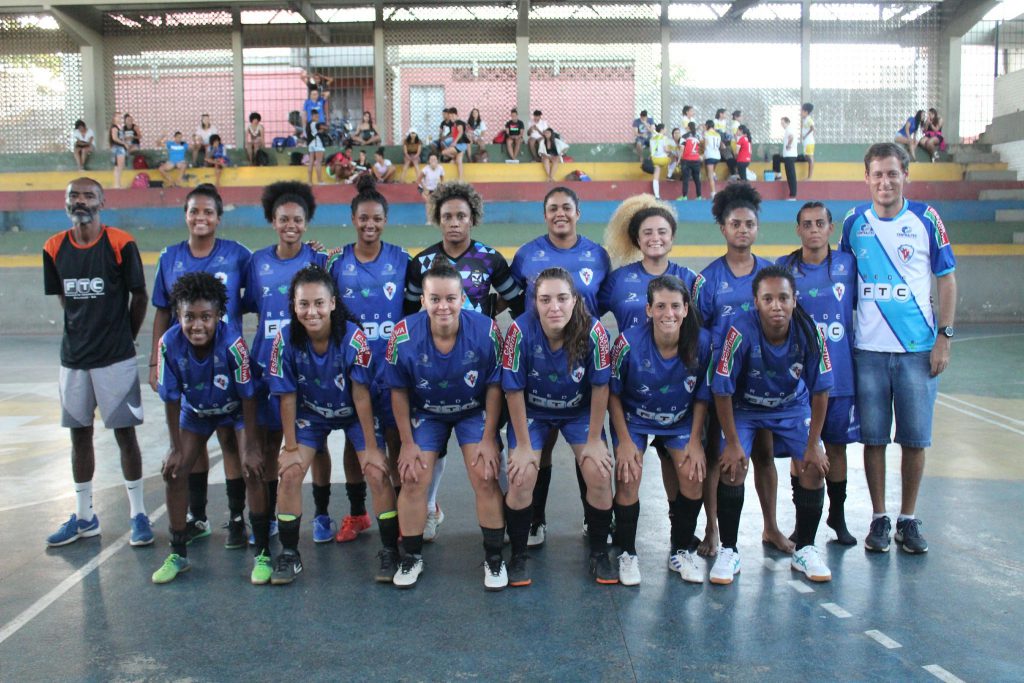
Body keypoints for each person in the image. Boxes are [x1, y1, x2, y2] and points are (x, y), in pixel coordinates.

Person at [839, 142, 957, 554]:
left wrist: (944, 336)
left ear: (906, 175)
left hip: (917, 351)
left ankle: (908, 518)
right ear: (867, 178)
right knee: (873, 438)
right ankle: (878, 517)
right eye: (878, 174)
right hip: (867, 351)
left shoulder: (927, 219)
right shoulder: (854, 222)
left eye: (893, 173)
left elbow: (946, 278)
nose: (885, 181)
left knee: (914, 439)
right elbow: (844, 283)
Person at [405, 182, 523, 539]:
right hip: (435, 366)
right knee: (433, 446)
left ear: (473, 218)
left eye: (461, 216)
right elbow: (409, 314)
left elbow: (517, 304)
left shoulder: (490, 258)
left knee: (490, 443)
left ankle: (501, 516)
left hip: (479, 367)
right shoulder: (422, 262)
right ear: (437, 220)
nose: (454, 222)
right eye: (447, 217)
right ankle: (429, 509)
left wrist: (489, 310)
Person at [385, 262, 507, 589]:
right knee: (412, 478)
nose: (443, 306)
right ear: (423, 300)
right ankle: (411, 557)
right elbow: (398, 391)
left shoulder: (486, 330)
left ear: (462, 298)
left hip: (473, 411)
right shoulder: (403, 334)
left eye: (450, 298)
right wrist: (407, 443)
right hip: (427, 411)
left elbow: (495, 387)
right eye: (434, 298)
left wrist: (489, 437)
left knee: (485, 473)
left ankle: (495, 559)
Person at [43, 178, 151, 548]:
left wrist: (126, 337)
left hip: (115, 358)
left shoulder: (121, 243)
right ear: (65, 202)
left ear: (102, 202)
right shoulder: (53, 247)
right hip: (73, 360)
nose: (81, 201)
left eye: (89, 195)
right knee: (79, 437)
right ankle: (85, 516)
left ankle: (138, 513)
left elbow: (140, 297)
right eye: (74, 194)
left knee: (125, 435)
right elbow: (63, 297)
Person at [710, 265, 835, 585]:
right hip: (745, 407)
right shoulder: (739, 332)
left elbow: (821, 391)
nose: (776, 305)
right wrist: (734, 443)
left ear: (795, 300)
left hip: (791, 407)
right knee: (732, 466)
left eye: (783, 298)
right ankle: (729, 550)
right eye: (768, 299)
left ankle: (806, 548)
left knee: (811, 466)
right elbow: (722, 389)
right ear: (756, 302)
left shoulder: (810, 333)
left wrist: (813, 444)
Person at [266, 265, 386, 584]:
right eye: (303, 304)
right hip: (313, 413)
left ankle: (390, 551)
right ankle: (290, 554)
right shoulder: (284, 340)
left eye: (319, 303)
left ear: (333, 303)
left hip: (351, 410)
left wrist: (372, 449)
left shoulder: (352, 337)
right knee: (290, 474)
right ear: (293, 305)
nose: (312, 311)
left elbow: (361, 395)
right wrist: (290, 448)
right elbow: (287, 396)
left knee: (376, 471)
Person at [149, 184, 252, 549]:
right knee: (190, 443)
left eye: (208, 212)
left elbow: (260, 293)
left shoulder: (239, 255)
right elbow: (163, 310)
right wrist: (153, 361)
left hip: (226, 364)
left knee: (230, 441)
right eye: (194, 211)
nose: (201, 217)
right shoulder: (170, 257)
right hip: (188, 364)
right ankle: (197, 516)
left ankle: (238, 517)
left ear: (219, 218)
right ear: (186, 215)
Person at [511, 186, 611, 546]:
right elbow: (515, 304)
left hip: (581, 371)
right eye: (552, 208)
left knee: (590, 454)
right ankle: (535, 521)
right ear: (545, 214)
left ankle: (593, 521)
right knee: (541, 449)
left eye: (566, 208)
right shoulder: (526, 255)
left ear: (578, 212)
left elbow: (607, 302)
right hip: (540, 366)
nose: (560, 214)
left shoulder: (598, 256)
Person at [503, 268, 616, 586]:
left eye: (562, 298)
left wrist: (594, 439)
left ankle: (598, 553)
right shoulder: (519, 332)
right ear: (534, 303)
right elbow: (512, 390)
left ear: (575, 300)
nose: (554, 306)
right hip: (533, 412)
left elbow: (600, 387)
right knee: (522, 475)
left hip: (578, 412)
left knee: (598, 471)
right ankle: (519, 556)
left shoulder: (594, 332)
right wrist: (524, 448)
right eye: (545, 299)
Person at [151, 273, 260, 584]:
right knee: (173, 471)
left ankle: (262, 551)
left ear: (218, 316)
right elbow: (171, 399)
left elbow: (249, 396)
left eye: (205, 317)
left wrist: (251, 445)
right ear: (178, 316)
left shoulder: (233, 343)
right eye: (189, 317)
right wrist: (175, 447)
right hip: (196, 413)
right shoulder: (168, 344)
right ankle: (177, 552)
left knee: (253, 467)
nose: (197, 325)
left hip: (235, 410)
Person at [692, 182, 780, 556]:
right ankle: (712, 529)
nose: (743, 229)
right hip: (723, 385)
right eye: (735, 224)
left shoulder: (771, 274)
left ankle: (771, 527)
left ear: (757, 228)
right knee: (720, 456)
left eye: (749, 224)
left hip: (764, 381)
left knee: (764, 454)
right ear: (723, 229)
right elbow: (697, 334)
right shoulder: (707, 279)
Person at [609, 275, 713, 584]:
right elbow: (612, 394)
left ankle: (680, 551)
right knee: (629, 474)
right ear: (648, 310)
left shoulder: (702, 342)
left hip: (679, 420)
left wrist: (695, 440)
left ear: (685, 309)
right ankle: (627, 553)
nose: (669, 313)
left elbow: (702, 397)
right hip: (634, 419)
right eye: (661, 306)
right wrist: (625, 441)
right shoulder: (627, 342)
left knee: (693, 475)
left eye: (675, 306)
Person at [242, 182, 328, 546]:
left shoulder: (318, 259)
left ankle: (322, 514)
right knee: (271, 440)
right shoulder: (257, 262)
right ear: (272, 221)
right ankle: (272, 515)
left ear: (306, 223)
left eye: (297, 219)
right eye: (283, 219)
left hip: (308, 368)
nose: (290, 225)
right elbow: (248, 306)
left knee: (315, 441)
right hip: (266, 366)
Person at [328, 176, 411, 547]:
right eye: (363, 218)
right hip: (351, 373)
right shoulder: (335, 261)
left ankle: (405, 510)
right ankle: (359, 512)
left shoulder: (402, 260)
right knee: (355, 442)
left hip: (391, 371)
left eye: (376, 218)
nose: (370, 224)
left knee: (395, 440)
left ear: (385, 220)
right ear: (353, 219)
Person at [778, 202, 859, 546]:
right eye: (807, 223)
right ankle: (803, 523)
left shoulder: (848, 265)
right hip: (798, 380)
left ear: (830, 227)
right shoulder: (784, 267)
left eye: (820, 223)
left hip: (839, 374)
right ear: (798, 229)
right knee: (802, 452)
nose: (813, 229)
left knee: (836, 447)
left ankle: (837, 517)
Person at [599, 196, 698, 333]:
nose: (655, 238)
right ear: (638, 239)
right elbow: (586, 315)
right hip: (631, 355)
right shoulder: (617, 280)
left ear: (672, 238)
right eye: (647, 233)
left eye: (662, 232)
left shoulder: (689, 278)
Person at [772, 117, 798, 200]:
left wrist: (789, 145)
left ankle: (793, 196)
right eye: (781, 123)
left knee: (791, 176)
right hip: (787, 156)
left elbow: (791, 137)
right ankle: (778, 175)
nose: (781, 125)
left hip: (790, 156)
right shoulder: (789, 129)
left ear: (787, 122)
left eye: (783, 123)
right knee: (776, 157)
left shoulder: (789, 129)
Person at [441, 107, 468, 181]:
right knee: (459, 162)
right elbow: (454, 134)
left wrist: (455, 142)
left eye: (453, 115)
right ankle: (461, 179)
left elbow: (461, 132)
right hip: (462, 145)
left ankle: (453, 158)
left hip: (460, 144)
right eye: (450, 116)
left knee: (444, 152)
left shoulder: (458, 122)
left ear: (457, 115)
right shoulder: (454, 124)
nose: (451, 117)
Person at [418, 152, 445, 224]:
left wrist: (442, 186)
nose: (433, 161)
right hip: (424, 187)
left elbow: (442, 178)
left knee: (437, 203)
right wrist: (425, 189)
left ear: (437, 161)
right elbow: (418, 180)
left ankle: (436, 219)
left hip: (434, 188)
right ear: (429, 161)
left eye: (435, 159)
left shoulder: (440, 168)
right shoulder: (425, 170)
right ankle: (429, 220)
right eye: (431, 160)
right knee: (429, 202)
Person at [678, 123, 702, 201]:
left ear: (688, 128)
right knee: (697, 179)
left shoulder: (684, 136)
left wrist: (679, 159)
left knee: (686, 178)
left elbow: (682, 149)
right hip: (696, 159)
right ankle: (699, 196)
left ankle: (684, 196)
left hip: (686, 159)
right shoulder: (698, 136)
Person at [305, 111, 328, 185]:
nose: (317, 118)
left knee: (311, 162)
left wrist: (320, 130)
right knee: (318, 162)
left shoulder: (308, 124)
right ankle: (320, 181)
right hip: (317, 143)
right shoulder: (316, 124)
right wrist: (322, 129)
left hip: (310, 144)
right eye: (316, 117)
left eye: (318, 117)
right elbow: (326, 127)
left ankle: (309, 181)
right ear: (313, 116)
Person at [648, 124, 670, 200]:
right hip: (663, 159)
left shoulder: (652, 138)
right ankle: (670, 174)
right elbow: (666, 149)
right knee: (674, 158)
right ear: (662, 130)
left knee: (656, 177)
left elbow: (651, 150)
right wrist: (672, 151)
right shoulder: (664, 138)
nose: (666, 130)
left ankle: (657, 195)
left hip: (655, 159)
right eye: (665, 128)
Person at [702, 120, 722, 200]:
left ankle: (713, 193)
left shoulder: (706, 133)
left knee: (710, 176)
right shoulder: (718, 134)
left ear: (707, 126)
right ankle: (714, 173)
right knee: (711, 172)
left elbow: (706, 145)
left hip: (710, 155)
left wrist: (703, 154)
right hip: (717, 156)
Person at [109, 112, 127, 189]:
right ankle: (117, 183)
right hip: (118, 147)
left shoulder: (120, 127)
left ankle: (118, 183)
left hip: (120, 147)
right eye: (118, 117)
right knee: (119, 166)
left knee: (119, 166)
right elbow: (114, 138)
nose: (119, 119)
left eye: (120, 117)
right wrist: (124, 143)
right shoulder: (114, 128)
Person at [800, 104, 816, 179]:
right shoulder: (805, 120)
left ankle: (810, 177)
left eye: (802, 111)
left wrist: (806, 135)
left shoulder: (809, 119)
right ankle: (809, 176)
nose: (801, 112)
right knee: (807, 156)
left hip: (809, 142)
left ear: (806, 112)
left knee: (810, 157)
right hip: (806, 142)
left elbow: (812, 128)